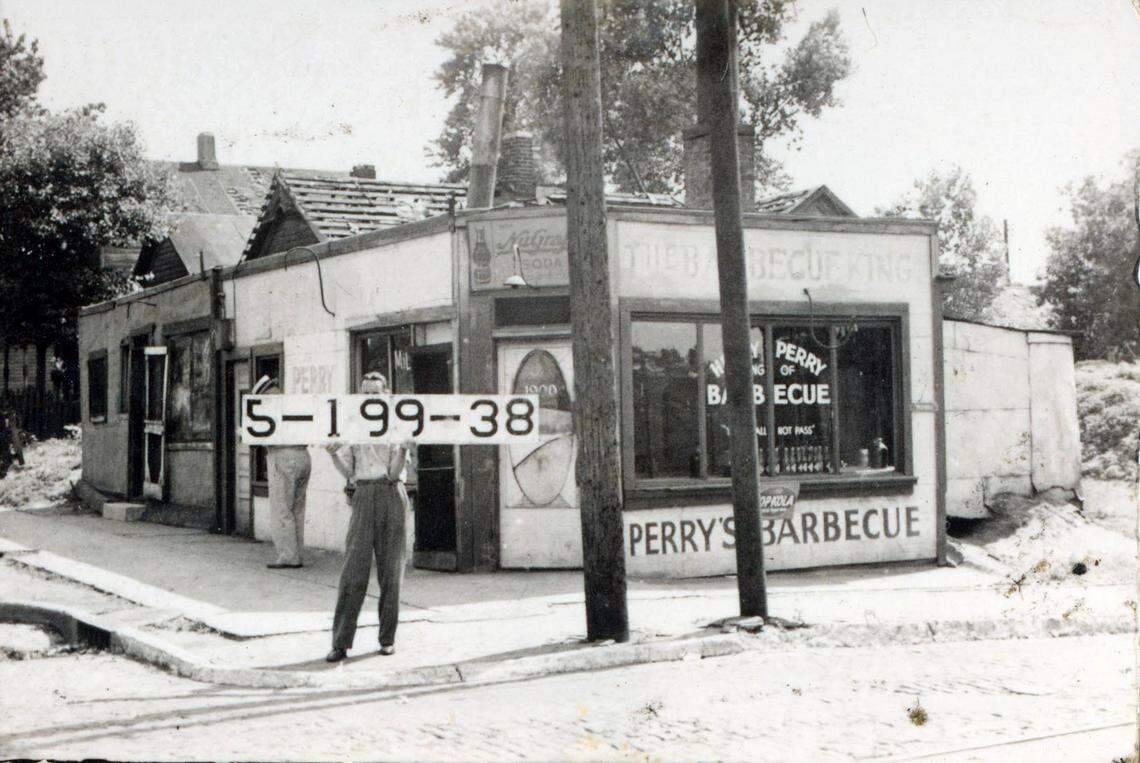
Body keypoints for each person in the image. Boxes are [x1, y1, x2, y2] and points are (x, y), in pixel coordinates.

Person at [325, 371, 413, 662]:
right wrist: (333, 455)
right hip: (363, 495)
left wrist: (402, 449)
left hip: (390, 493)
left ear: (386, 395)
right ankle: (340, 643)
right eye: (365, 394)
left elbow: (393, 471)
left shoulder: (398, 426)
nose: (371, 398)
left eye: (376, 393)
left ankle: (387, 639)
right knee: (353, 570)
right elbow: (349, 472)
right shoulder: (353, 427)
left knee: (391, 572)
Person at [254, 376, 312, 569]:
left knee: (282, 508)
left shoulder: (269, 408)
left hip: (282, 456)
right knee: (297, 508)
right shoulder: (293, 406)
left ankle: (288, 556)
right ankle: (297, 554)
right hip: (303, 455)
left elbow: (261, 436)